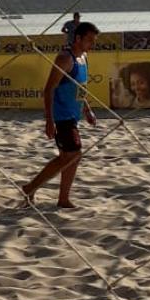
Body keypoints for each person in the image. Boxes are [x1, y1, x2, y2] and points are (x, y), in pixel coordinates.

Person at [22, 22, 99, 209]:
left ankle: (32, 189)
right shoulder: (65, 58)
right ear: (78, 38)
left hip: (73, 115)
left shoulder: (84, 58)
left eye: (93, 40)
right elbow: (48, 89)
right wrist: (49, 121)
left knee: (67, 157)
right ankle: (57, 197)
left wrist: (87, 109)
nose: (92, 44)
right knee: (73, 155)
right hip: (62, 116)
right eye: (89, 40)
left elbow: (80, 88)